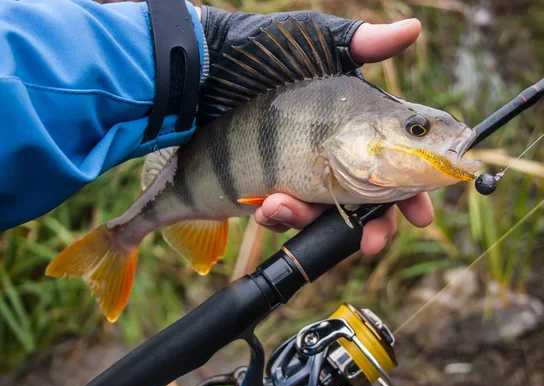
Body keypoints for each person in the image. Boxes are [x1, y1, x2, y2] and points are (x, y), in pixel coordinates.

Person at [0, 0, 433, 255]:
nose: (428, 139)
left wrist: (204, 45)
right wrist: (188, 49)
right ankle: (121, 238)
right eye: (417, 130)